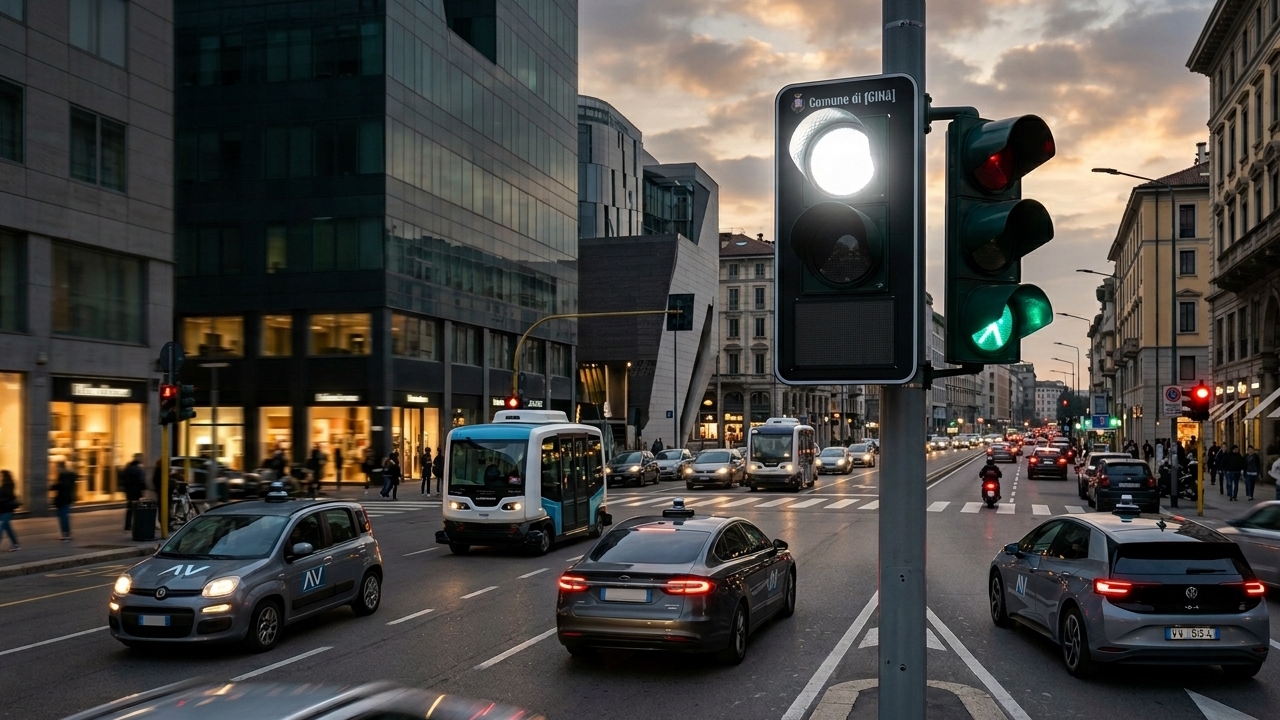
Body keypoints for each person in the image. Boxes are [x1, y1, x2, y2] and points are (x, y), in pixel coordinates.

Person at [120, 453, 146, 532]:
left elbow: (123, 479)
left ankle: (128, 525)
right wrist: (143, 489)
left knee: (130, 508)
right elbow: (141, 480)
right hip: (136, 491)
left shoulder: (128, 468)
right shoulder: (138, 469)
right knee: (136, 508)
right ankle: (136, 524)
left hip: (129, 491)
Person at [53, 462, 77, 542]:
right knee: (63, 517)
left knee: (63, 517)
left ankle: (66, 535)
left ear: (61, 468)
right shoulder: (69, 475)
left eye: (57, 467)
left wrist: (54, 486)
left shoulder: (64, 476)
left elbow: (62, 486)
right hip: (66, 499)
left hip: (63, 499)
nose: (56, 469)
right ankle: (65, 534)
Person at [0, 470, 19, 551]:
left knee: (1, 527)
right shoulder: (5, 486)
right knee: (8, 528)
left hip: (7, 510)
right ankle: (15, 544)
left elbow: (7, 497)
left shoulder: (8, 486)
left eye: (1, 475)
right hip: (3, 510)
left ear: (4, 476)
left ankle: (16, 545)